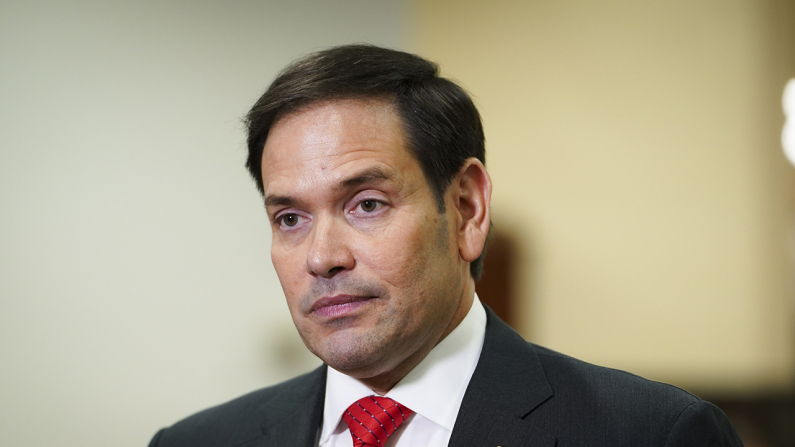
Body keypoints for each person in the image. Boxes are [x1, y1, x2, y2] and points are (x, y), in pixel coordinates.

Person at [148, 44, 743, 447]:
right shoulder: (196, 442)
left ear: (466, 209)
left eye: (367, 205)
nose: (321, 257)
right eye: (290, 218)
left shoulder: (650, 433)